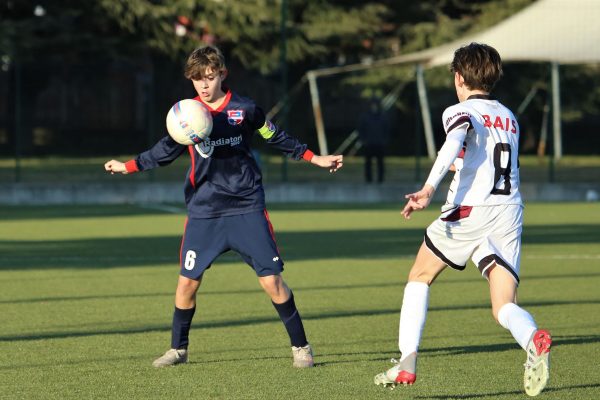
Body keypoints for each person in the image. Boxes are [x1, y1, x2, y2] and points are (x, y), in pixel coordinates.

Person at [104, 45, 343, 369]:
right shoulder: (186, 115)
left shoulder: (244, 109)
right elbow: (163, 151)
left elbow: (275, 136)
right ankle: (178, 349)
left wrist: (315, 158)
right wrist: (127, 166)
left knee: (272, 282)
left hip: (246, 206)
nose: (203, 85)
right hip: (205, 210)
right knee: (187, 282)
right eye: (197, 79)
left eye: (209, 77)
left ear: (222, 75)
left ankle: (300, 347)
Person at [373, 43, 551, 397]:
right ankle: (534, 338)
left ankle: (407, 363)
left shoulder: (460, 110)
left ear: (458, 77)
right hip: (509, 211)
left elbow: (454, 142)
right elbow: (482, 159)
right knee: (503, 305)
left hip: (470, 211)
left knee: (419, 276)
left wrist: (427, 188)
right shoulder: (509, 117)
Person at [357, 98, 390, 183]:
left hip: (379, 144)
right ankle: (368, 180)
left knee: (380, 163)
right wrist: (363, 140)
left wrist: (384, 140)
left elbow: (386, 129)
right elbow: (361, 129)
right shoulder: (365, 117)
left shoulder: (383, 117)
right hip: (369, 143)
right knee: (368, 163)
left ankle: (380, 180)